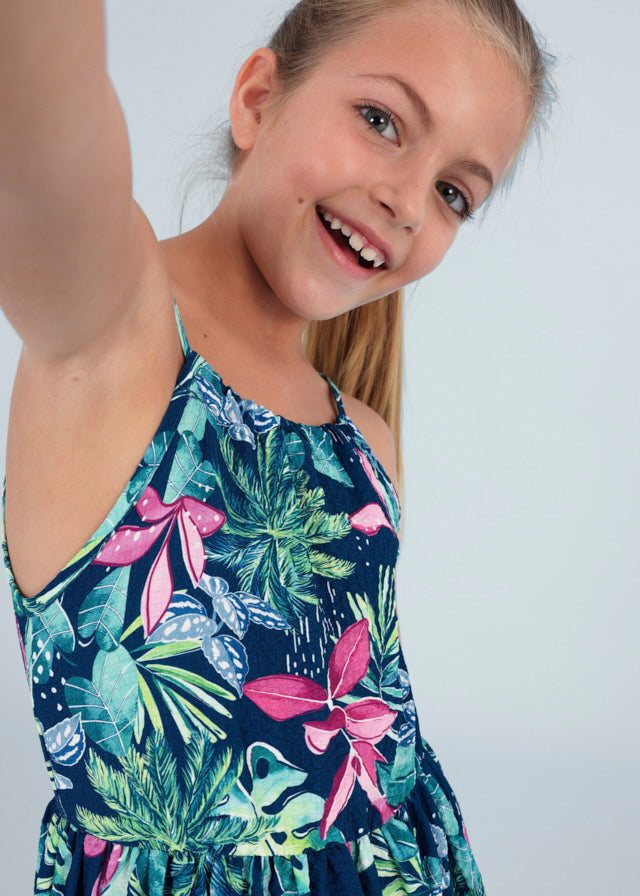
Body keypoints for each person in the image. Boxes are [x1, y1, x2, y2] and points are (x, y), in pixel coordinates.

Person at [0, 1, 554, 893]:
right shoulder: (115, 340)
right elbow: (38, 119)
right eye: (381, 121)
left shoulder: (364, 444)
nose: (409, 203)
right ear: (258, 98)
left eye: (454, 193)